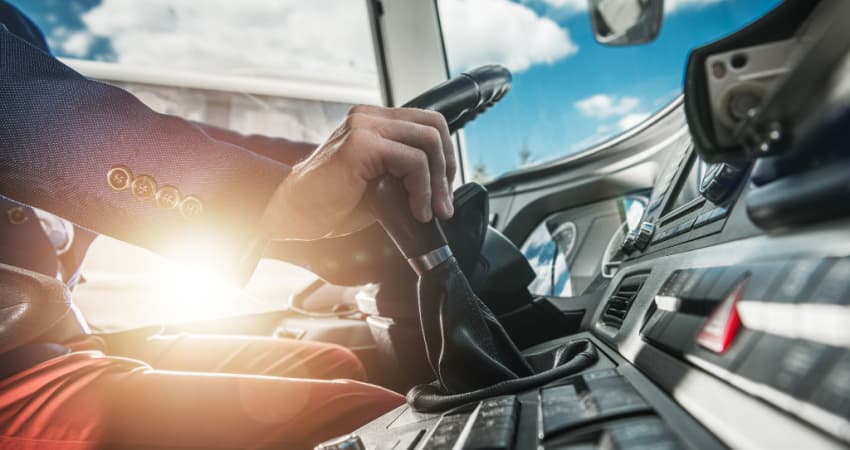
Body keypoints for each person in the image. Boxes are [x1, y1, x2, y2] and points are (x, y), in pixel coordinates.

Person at [0, 1, 457, 449]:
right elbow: (28, 111)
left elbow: (72, 109)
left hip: (71, 340)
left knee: (336, 363)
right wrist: (268, 198)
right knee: (365, 416)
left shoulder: (15, 24)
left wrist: (327, 170)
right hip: (11, 374)